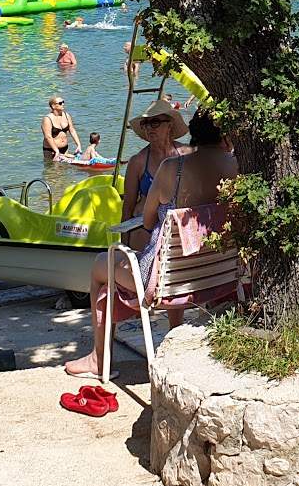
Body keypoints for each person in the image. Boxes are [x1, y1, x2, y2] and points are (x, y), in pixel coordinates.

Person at [63, 111, 239, 381]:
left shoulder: (172, 168)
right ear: (225, 135)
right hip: (218, 276)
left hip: (165, 280)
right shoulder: (236, 165)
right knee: (170, 259)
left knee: (101, 264)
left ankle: (99, 359)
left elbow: (146, 220)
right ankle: (174, 335)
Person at [119, 98, 189, 221]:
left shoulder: (187, 154)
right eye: (146, 123)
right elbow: (128, 208)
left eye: (155, 122)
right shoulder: (137, 162)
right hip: (142, 225)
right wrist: (124, 240)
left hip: (176, 226)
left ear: (169, 125)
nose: (149, 128)